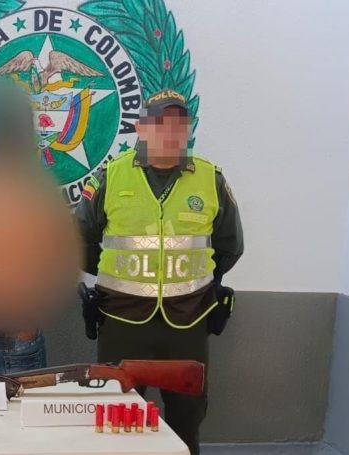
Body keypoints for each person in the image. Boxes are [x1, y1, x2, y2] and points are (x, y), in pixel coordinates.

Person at [74, 89, 243, 454]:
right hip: (122, 320)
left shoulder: (210, 179)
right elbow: (80, 239)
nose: (171, 133)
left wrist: (190, 281)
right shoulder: (111, 176)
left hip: (188, 321)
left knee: (187, 419)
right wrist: (119, 275)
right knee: (117, 418)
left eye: (180, 125)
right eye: (161, 124)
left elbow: (229, 246)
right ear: (141, 128)